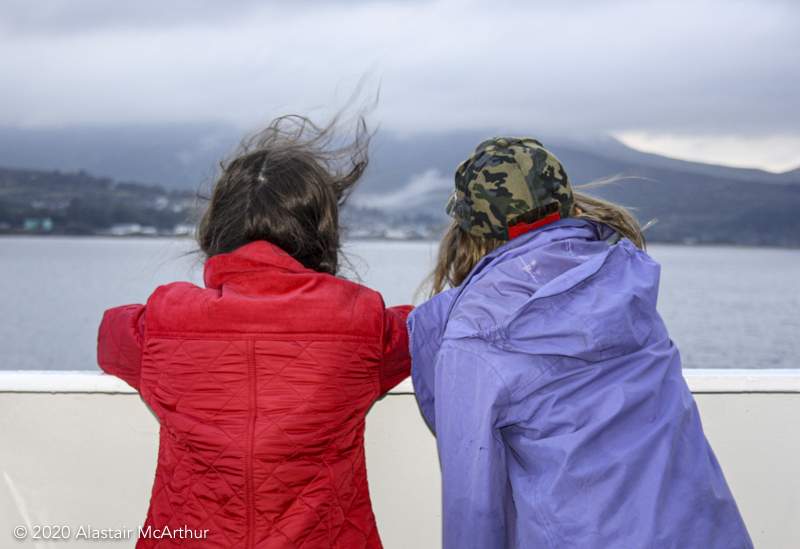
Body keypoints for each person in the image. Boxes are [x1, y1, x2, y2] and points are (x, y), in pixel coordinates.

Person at [408, 137, 753, 548]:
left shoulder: (475, 334)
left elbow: (474, 505)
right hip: (704, 532)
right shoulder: (626, 279)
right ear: (568, 204)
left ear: (469, 232)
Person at [97, 114, 412, 548]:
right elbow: (425, 330)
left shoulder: (167, 316)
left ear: (218, 226)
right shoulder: (363, 317)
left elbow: (111, 334)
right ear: (321, 231)